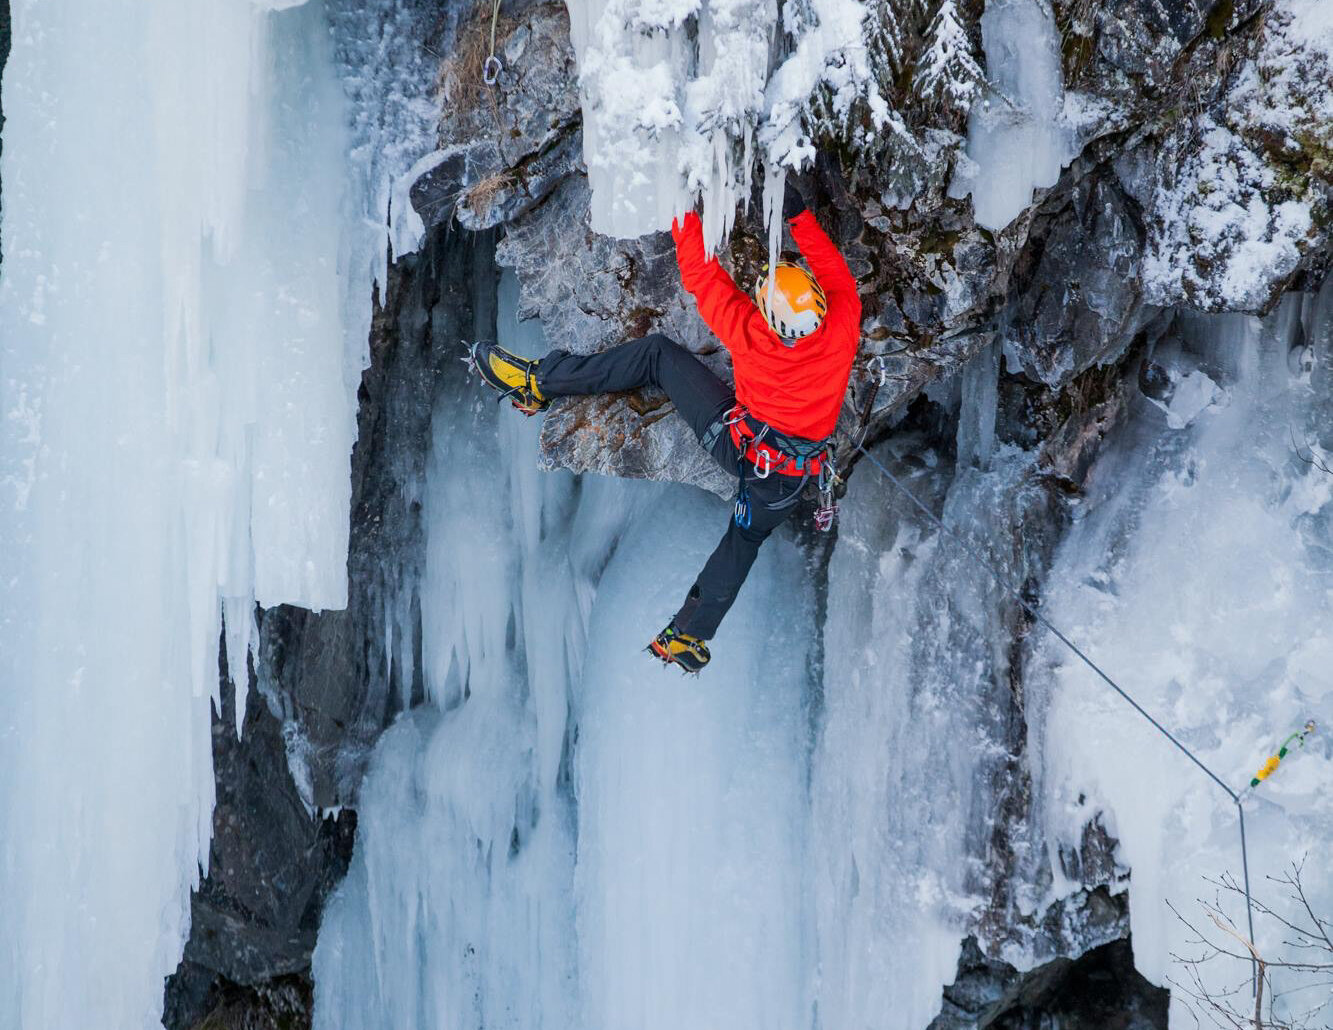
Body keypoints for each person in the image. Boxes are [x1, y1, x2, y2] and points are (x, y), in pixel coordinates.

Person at [470, 181, 861, 672]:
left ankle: (540, 383)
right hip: (788, 483)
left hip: (742, 448)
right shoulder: (843, 321)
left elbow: (701, 276)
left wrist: (682, 207)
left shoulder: (754, 336)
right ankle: (689, 636)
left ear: (768, 317)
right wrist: (802, 216)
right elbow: (837, 275)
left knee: (657, 354)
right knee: (744, 541)